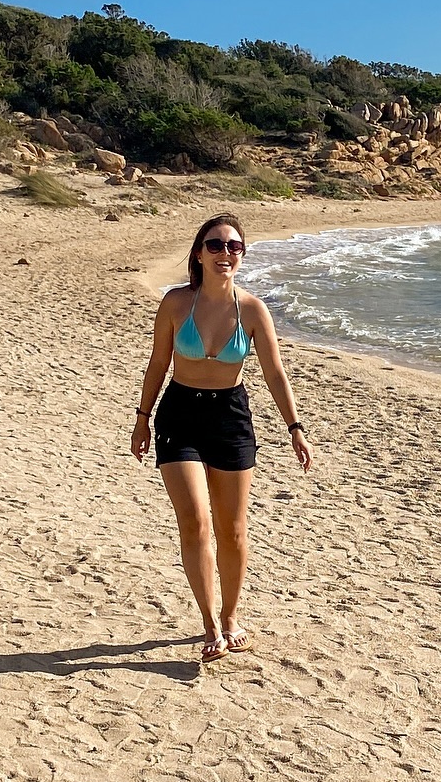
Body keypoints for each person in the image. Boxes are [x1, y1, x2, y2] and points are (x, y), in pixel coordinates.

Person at [131, 212, 312, 661]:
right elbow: (158, 363)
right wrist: (142, 418)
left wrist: (295, 429)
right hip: (179, 415)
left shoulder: (252, 310)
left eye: (233, 246)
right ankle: (210, 623)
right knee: (195, 521)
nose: (224, 253)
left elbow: (274, 372)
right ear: (199, 254)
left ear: (242, 255)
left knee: (232, 531)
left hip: (230, 418)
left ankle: (231, 617)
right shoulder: (176, 303)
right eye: (215, 245)